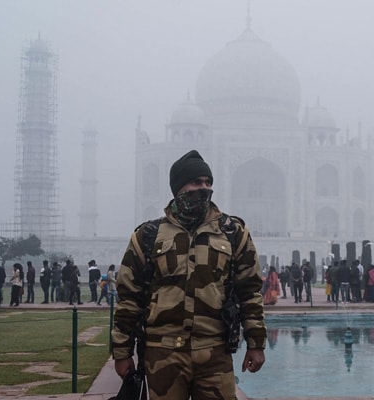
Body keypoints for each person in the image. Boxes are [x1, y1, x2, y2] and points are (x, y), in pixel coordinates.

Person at [112, 149, 266, 400]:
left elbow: (249, 292)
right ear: (178, 188)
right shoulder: (149, 235)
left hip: (214, 352)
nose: (203, 189)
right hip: (163, 354)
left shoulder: (232, 232)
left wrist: (256, 343)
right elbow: (129, 297)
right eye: (196, 182)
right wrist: (122, 351)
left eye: (208, 183)